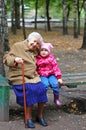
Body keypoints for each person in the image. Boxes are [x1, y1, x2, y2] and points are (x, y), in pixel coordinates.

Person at [3, 32, 48, 128]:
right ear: (29, 39)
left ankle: (40, 116)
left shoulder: (36, 50)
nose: (35, 44)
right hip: (19, 75)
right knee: (30, 89)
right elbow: (6, 58)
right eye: (34, 41)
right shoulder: (18, 46)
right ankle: (28, 117)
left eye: (38, 43)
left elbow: (46, 54)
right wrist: (15, 59)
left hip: (32, 76)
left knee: (42, 89)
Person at [36, 42, 63, 107]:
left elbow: (55, 68)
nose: (43, 52)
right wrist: (36, 75)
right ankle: (43, 99)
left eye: (46, 50)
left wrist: (59, 77)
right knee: (44, 85)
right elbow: (35, 68)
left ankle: (56, 99)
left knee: (55, 84)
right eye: (42, 50)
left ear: (49, 51)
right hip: (42, 75)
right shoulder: (37, 59)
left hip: (51, 74)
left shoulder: (51, 58)